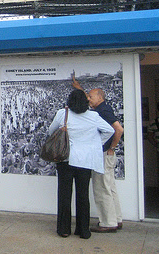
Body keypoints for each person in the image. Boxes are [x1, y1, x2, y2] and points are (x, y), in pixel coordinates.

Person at [48, 89, 114, 239]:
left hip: (66, 159)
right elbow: (109, 130)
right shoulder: (93, 116)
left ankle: (64, 229)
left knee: (64, 195)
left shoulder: (62, 114)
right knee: (83, 195)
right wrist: (95, 144)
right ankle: (83, 230)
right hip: (85, 161)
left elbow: (50, 131)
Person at [72, 77, 124, 232]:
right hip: (105, 154)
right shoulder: (100, 109)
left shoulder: (104, 110)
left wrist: (111, 148)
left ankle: (108, 223)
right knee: (109, 187)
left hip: (104, 155)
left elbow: (118, 130)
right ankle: (116, 219)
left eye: (91, 96)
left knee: (102, 188)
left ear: (100, 97)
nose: (88, 99)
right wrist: (79, 88)